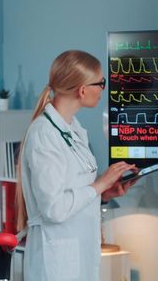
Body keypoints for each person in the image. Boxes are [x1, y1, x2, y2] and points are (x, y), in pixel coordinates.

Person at [15, 50, 138, 281]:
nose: (104, 88)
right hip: (55, 262)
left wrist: (102, 193)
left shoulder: (72, 127)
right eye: (101, 82)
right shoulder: (44, 134)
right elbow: (54, 208)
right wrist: (98, 185)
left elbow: (74, 189)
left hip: (77, 255)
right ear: (82, 90)